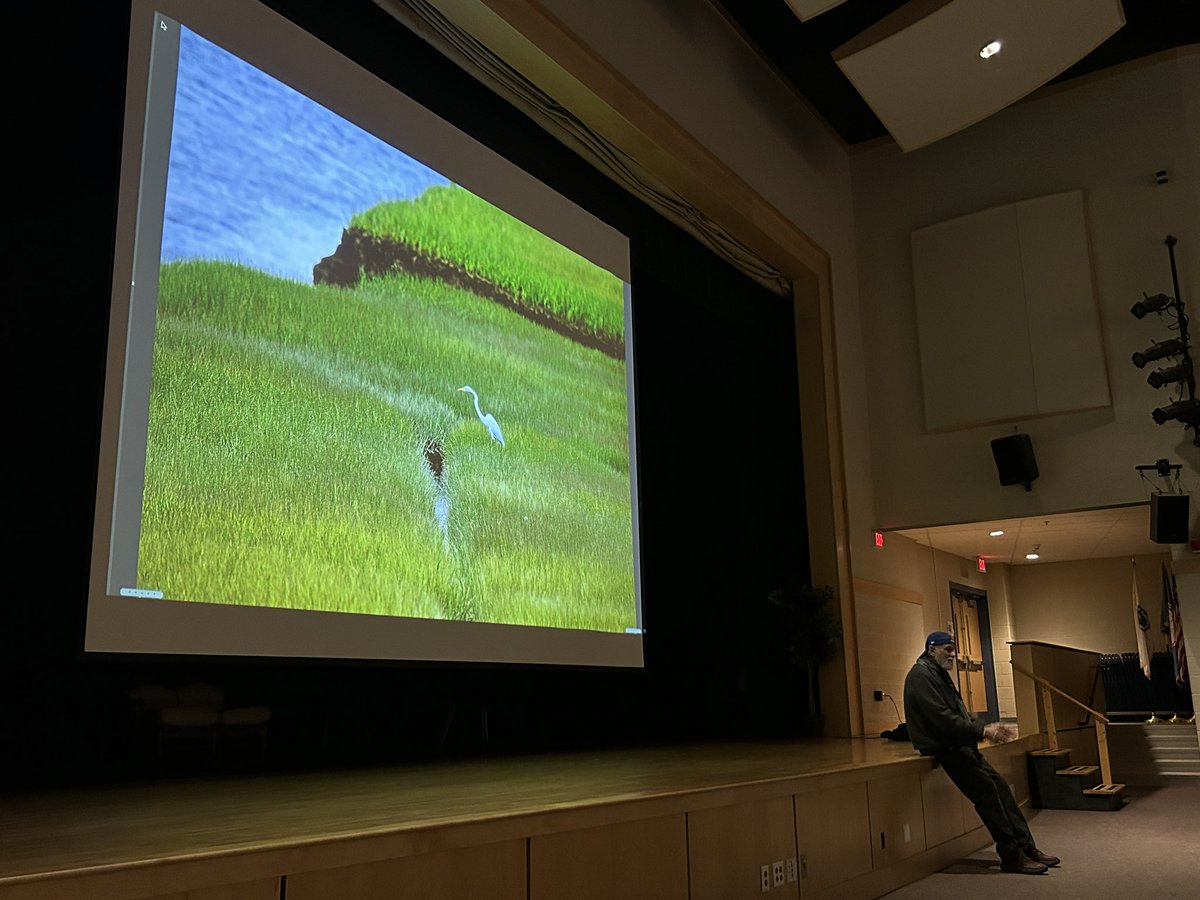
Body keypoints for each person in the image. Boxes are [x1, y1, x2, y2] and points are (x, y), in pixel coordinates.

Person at [903, 631, 1060, 875]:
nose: (953, 654)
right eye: (947, 649)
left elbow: (956, 713)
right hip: (945, 746)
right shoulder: (920, 676)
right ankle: (1011, 856)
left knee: (1000, 788)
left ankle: (1026, 847)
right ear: (931, 649)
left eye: (953, 649)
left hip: (958, 744)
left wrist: (982, 728)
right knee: (987, 792)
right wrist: (983, 731)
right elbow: (941, 720)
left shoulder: (937, 674)